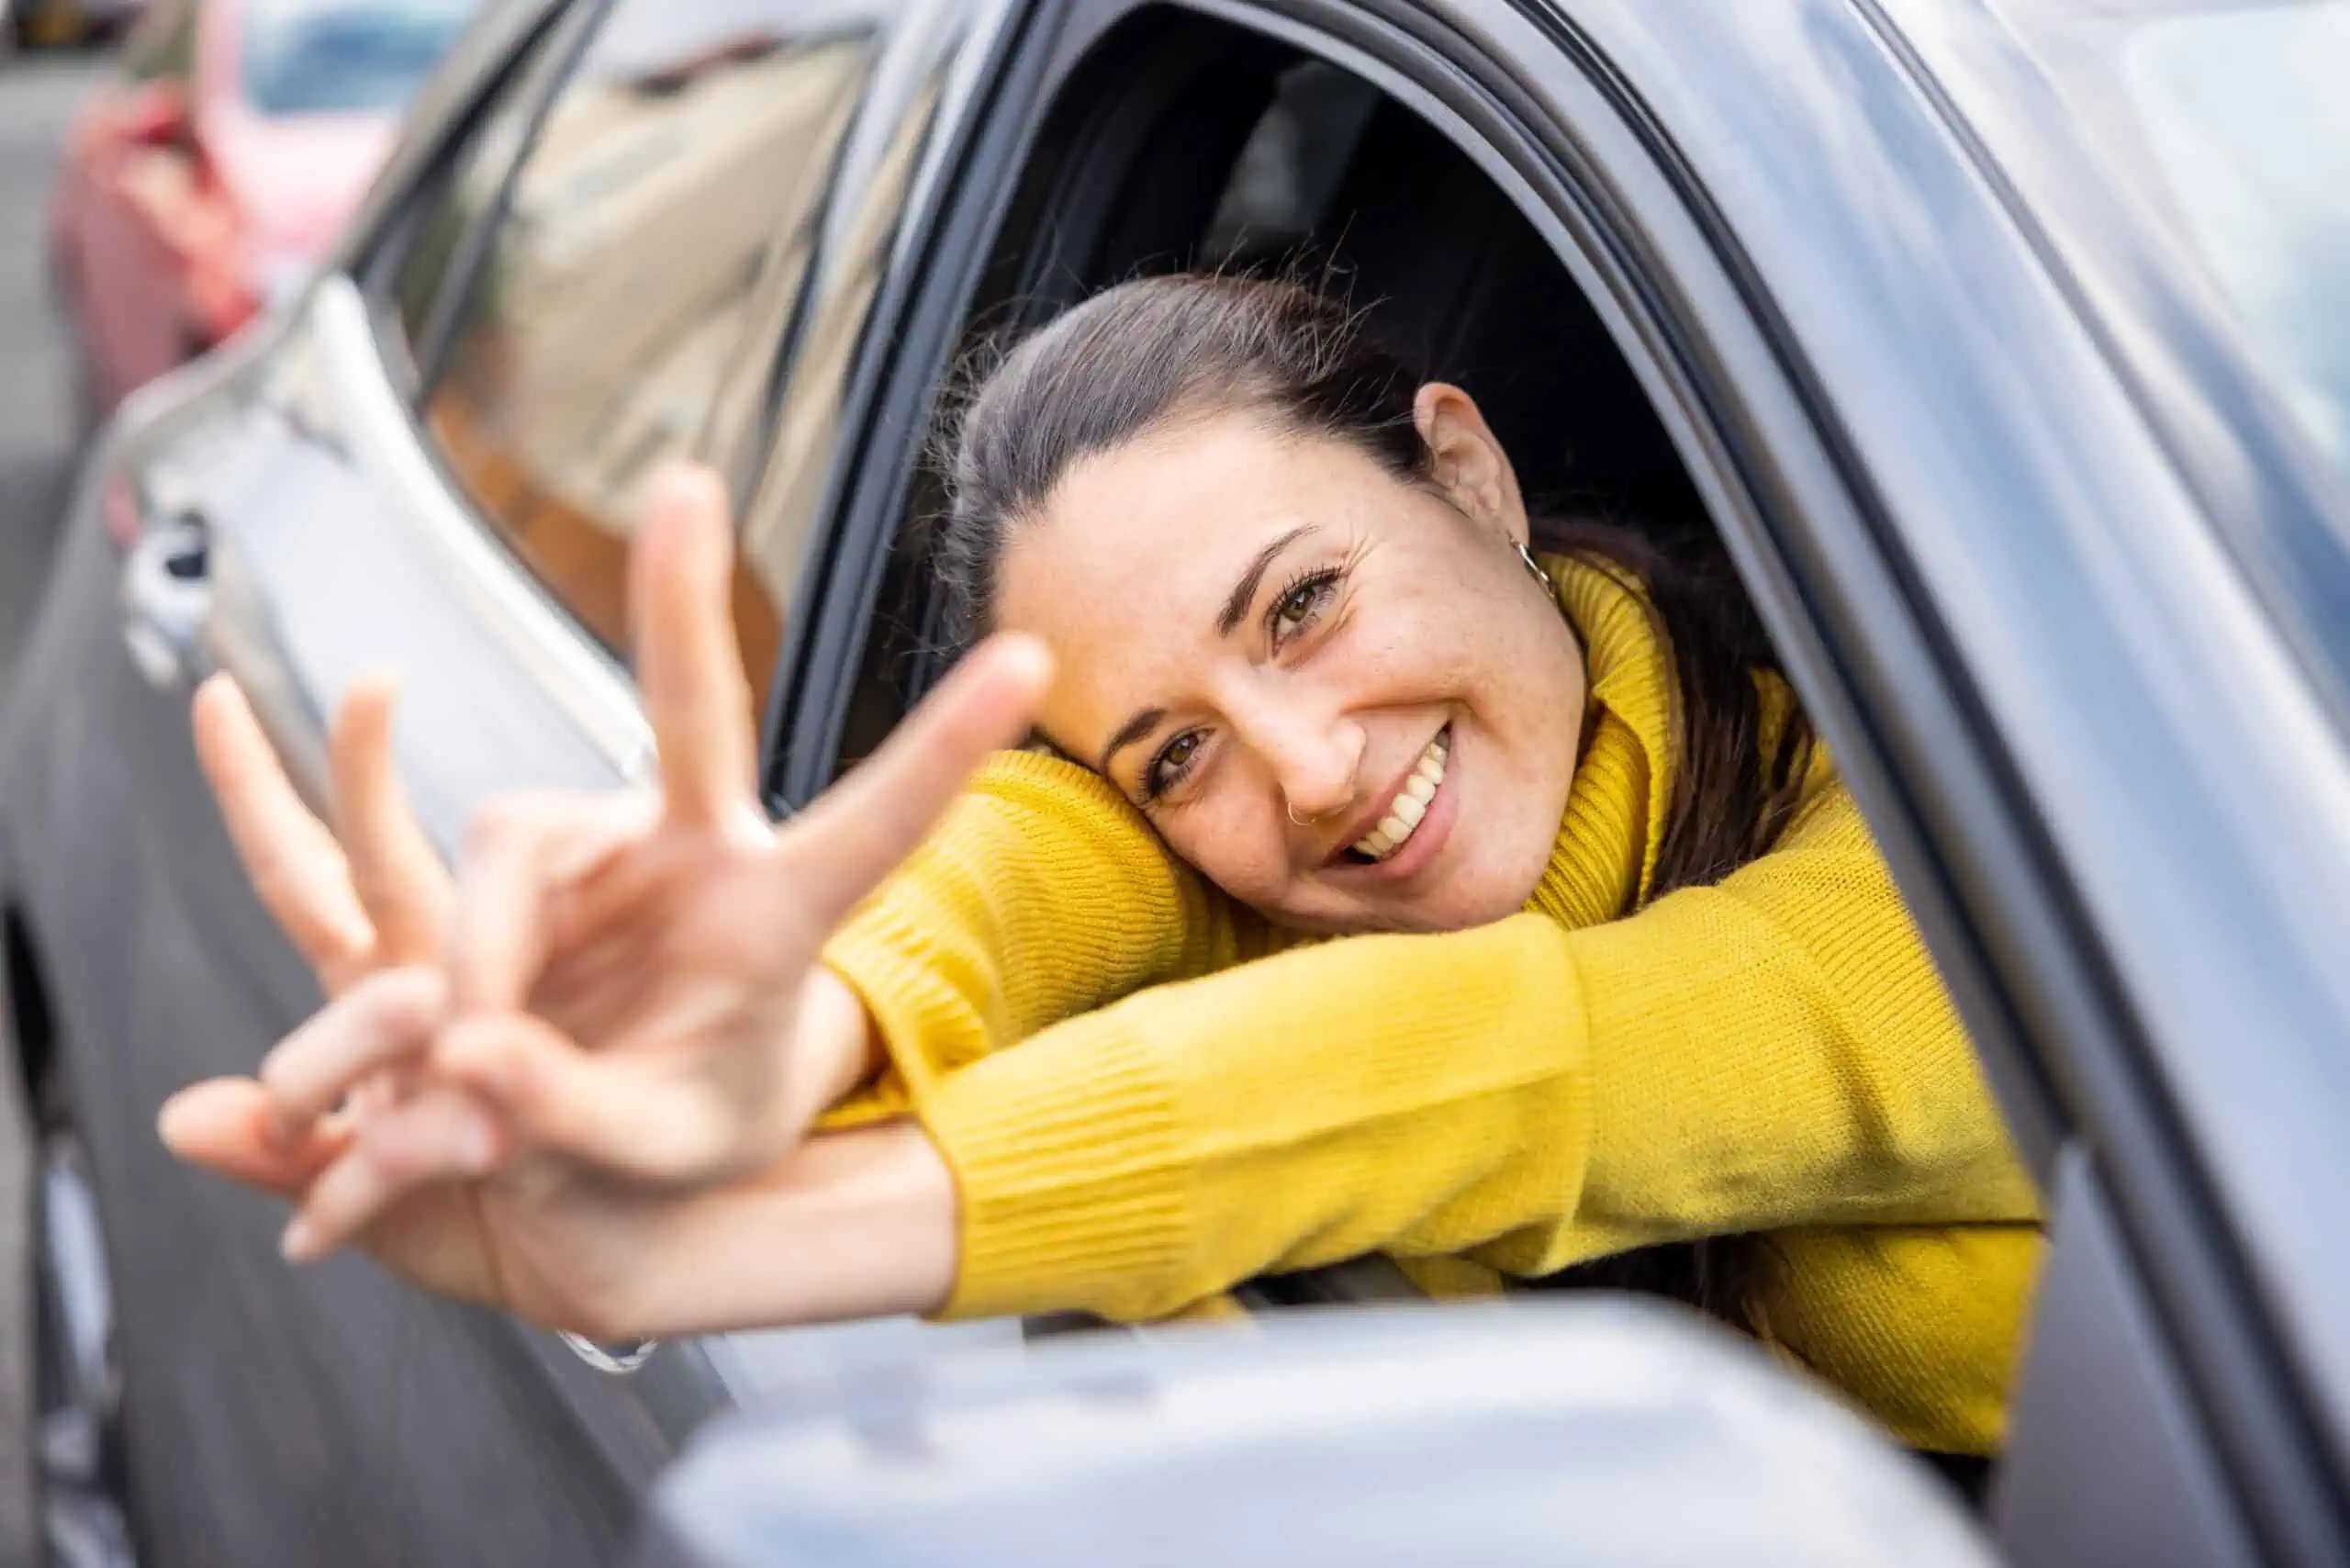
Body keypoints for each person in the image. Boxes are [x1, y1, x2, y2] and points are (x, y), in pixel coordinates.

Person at [161, 274, 2042, 1458]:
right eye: (1175, 747)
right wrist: (787, 1037)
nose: (1306, 774)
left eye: (1302, 600)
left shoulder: (1940, 857)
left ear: (1463, 473)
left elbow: (1530, 1057)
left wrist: (730, 1235)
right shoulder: (1214, 850)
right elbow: (1025, 861)